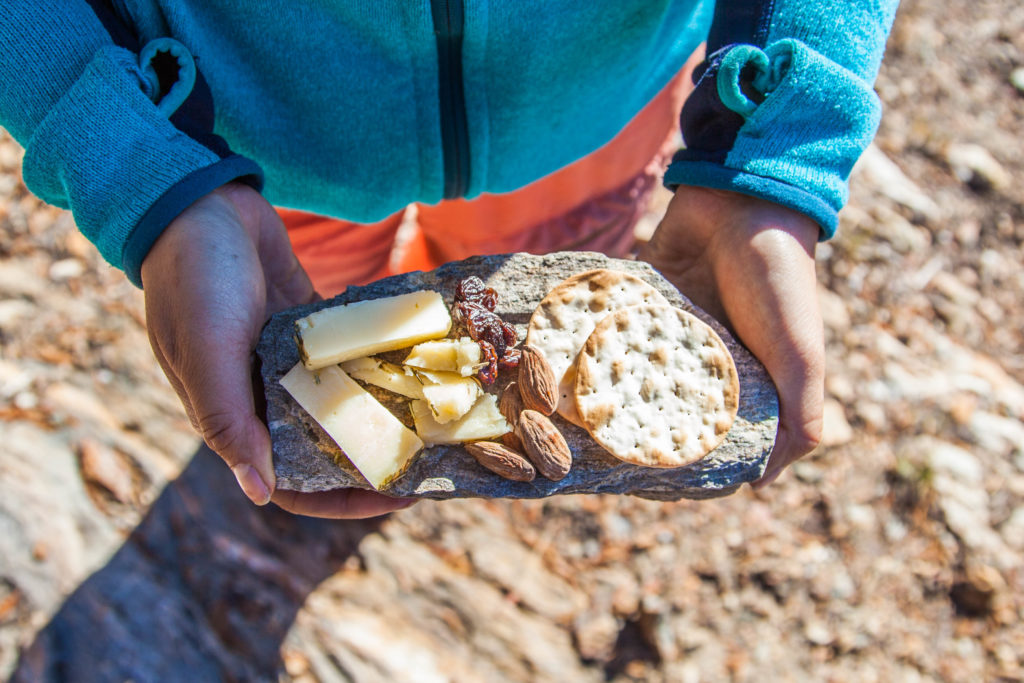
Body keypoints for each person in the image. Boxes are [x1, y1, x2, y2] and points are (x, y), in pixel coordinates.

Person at [0, 1, 899, 518]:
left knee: (522, 338)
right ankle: (336, 440)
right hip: (256, 146)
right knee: (313, 345)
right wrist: (141, 168)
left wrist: (773, 137)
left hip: (590, 112)